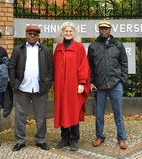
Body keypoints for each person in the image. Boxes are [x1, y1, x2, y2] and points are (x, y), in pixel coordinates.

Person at [8, 25, 54, 152]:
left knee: (41, 116)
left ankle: (40, 140)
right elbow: (11, 66)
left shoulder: (45, 49)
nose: (32, 36)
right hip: (22, 88)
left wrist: (48, 83)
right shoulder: (18, 49)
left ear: (38, 36)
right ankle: (20, 141)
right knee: (20, 116)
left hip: (40, 89)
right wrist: (13, 83)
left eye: (35, 34)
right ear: (26, 35)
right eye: (30, 34)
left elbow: (51, 68)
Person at [88, 20, 128, 150]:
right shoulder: (93, 46)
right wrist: (91, 82)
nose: (104, 30)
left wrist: (122, 80)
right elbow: (90, 67)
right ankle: (100, 136)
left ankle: (121, 138)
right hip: (100, 85)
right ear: (99, 30)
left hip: (116, 84)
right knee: (99, 113)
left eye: (106, 28)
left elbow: (124, 63)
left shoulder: (118, 45)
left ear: (110, 30)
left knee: (118, 113)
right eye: (102, 28)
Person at [53, 22, 90, 151]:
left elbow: (83, 66)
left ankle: (74, 139)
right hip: (60, 86)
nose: (68, 33)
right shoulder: (58, 48)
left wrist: (82, 83)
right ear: (62, 33)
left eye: (70, 31)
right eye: (66, 31)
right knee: (62, 110)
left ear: (74, 33)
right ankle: (64, 138)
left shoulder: (79, 47)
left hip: (73, 85)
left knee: (73, 110)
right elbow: (54, 67)